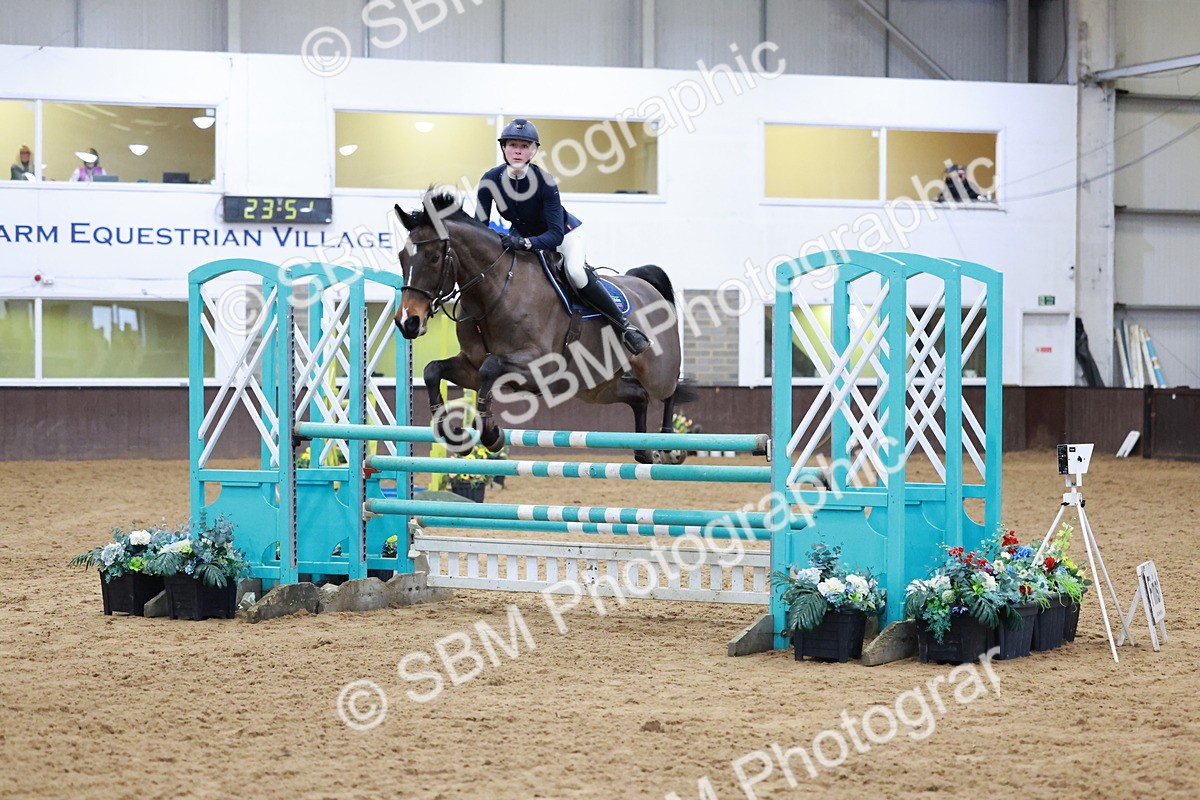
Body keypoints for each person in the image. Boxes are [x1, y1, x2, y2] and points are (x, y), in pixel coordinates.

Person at [475, 119, 651, 356]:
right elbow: (480, 226)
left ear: (533, 151)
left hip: (563, 235)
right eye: (513, 145)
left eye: (524, 146)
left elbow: (555, 235)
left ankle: (625, 327)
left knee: (575, 273)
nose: (518, 151)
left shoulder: (545, 182)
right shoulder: (490, 180)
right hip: (521, 236)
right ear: (504, 148)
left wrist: (525, 243)